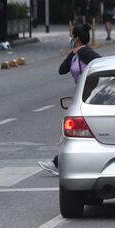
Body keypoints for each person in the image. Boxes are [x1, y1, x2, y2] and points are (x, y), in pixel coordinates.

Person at [37, 23, 100, 176]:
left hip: (89, 97)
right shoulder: (77, 54)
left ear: (77, 38)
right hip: (80, 96)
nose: (70, 39)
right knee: (74, 132)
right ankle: (60, 163)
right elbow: (62, 70)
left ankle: (58, 163)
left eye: (72, 36)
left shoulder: (86, 53)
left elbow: (100, 62)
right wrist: (73, 52)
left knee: (72, 131)